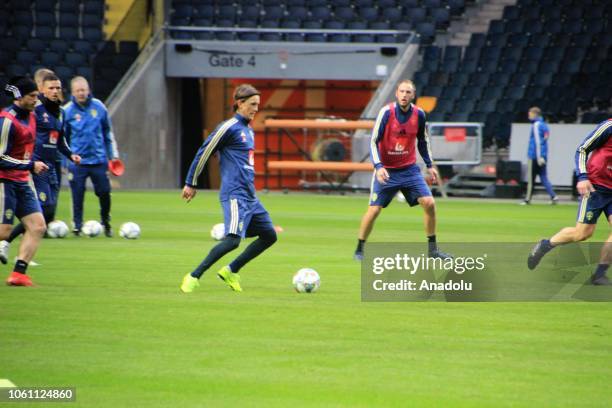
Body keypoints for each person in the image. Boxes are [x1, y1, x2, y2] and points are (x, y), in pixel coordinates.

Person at [180, 84, 277, 293]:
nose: (256, 109)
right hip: (235, 194)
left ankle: (231, 270)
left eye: (258, 105)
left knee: (269, 235)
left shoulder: (248, 130)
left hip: (250, 196)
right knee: (232, 241)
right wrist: (191, 182)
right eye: (252, 104)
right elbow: (204, 152)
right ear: (240, 103)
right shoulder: (229, 127)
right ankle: (194, 276)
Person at [353, 80, 450, 261]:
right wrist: (379, 166)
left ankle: (433, 250)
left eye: (408, 92)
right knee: (374, 211)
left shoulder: (419, 114)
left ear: (413, 96)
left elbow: (423, 141)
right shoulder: (386, 113)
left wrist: (430, 165)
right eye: (402, 91)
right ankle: (360, 248)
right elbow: (373, 141)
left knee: (430, 203)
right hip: (387, 171)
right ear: (396, 94)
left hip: (409, 170)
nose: (404, 95)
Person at [0, 74, 81, 263]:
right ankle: (6, 243)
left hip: (45, 167)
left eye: (58, 88)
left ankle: (19, 270)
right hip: (28, 169)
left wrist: (71, 155)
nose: (55, 91)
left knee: (43, 218)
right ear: (41, 90)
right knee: (38, 213)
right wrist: (30, 164)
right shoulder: (25, 114)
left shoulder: (57, 113)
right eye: (51, 88)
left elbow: (59, 140)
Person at [527, 119, 612, 285]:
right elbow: (582, 149)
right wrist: (582, 177)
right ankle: (545, 245)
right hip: (595, 186)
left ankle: (599, 274)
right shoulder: (609, 127)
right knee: (582, 234)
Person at [0, 77, 49, 286]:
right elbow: (0, 157)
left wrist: (31, 165)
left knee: (38, 226)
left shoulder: (32, 116)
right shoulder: (7, 121)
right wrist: (29, 165)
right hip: (5, 181)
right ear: (19, 96)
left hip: (23, 180)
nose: (36, 100)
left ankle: (19, 274)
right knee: (3, 232)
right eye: (32, 96)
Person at [63, 76, 119, 237]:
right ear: (73, 92)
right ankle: (77, 226)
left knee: (104, 192)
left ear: (88, 90)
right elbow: (63, 139)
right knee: (77, 194)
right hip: (77, 162)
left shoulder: (99, 107)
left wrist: (113, 156)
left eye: (84, 90)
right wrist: (66, 161)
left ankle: (106, 221)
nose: (81, 93)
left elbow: (108, 132)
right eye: (78, 90)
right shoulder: (67, 111)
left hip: (99, 160)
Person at [521, 107, 558, 205]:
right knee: (543, 177)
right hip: (543, 155)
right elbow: (544, 140)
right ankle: (553, 196)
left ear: (535, 114)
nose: (529, 115)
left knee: (531, 178)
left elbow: (538, 142)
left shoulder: (536, 125)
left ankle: (527, 199)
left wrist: (539, 156)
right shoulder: (544, 125)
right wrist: (543, 156)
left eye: (530, 113)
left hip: (534, 156)